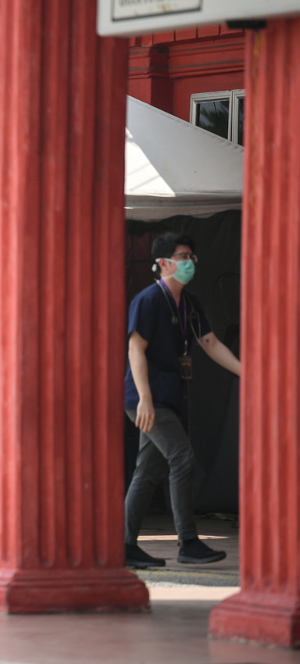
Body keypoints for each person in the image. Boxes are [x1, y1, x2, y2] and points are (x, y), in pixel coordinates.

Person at [124, 233, 240, 568]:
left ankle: (124, 545)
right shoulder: (147, 300)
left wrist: (247, 372)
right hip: (147, 398)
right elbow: (135, 349)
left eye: (192, 257)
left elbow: (210, 342)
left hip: (166, 397)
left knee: (147, 472)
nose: (190, 263)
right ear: (163, 263)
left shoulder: (190, 303)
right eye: (183, 256)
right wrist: (145, 399)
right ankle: (188, 542)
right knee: (183, 458)